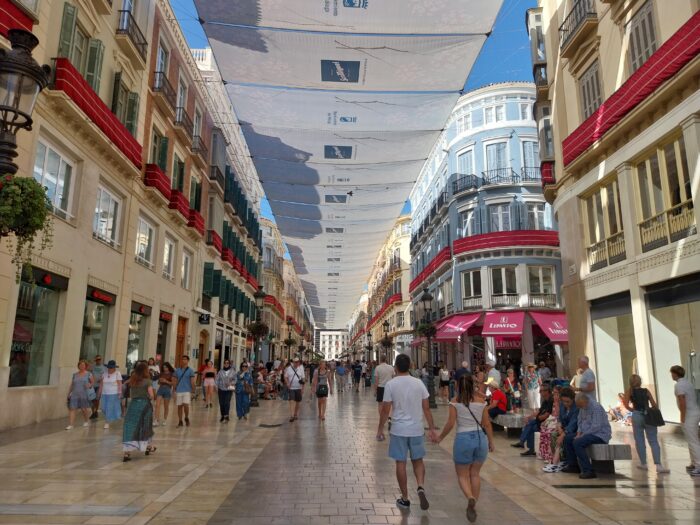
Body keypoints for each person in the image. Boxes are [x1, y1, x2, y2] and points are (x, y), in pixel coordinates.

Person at [377, 354, 438, 512]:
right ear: (410, 366)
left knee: (401, 463)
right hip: (417, 429)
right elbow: (426, 408)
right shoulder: (419, 383)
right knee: (418, 460)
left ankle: (405, 498)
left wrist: (380, 429)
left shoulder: (391, 384)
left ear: (395, 367)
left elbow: (385, 409)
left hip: (399, 429)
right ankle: (420, 486)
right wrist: (431, 428)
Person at [436, 375, 494, 523]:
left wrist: (440, 437)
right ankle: (474, 505)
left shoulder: (455, 402)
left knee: (462, 475)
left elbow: (450, 423)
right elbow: (487, 424)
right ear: (473, 385)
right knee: (475, 474)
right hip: (480, 439)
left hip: (463, 439)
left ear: (458, 386)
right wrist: (491, 442)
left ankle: (470, 497)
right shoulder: (481, 402)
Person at [623, 374, 668, 473]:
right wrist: (650, 410)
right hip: (648, 415)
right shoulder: (646, 391)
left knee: (639, 440)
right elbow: (654, 404)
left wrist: (633, 410)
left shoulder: (629, 391)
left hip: (637, 415)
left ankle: (643, 463)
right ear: (640, 381)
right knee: (653, 440)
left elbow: (625, 405)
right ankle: (658, 465)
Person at [562, 394, 611, 478]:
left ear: (585, 401)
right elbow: (580, 422)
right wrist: (578, 433)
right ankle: (573, 465)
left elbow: (596, 426)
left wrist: (582, 435)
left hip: (599, 434)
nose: (580, 407)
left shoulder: (596, 407)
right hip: (586, 433)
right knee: (568, 438)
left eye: (580, 405)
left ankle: (588, 470)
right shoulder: (582, 407)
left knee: (578, 442)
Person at [122, 362, 156, 462]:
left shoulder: (133, 380)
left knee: (130, 426)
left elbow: (126, 387)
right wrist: (151, 398)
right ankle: (147, 446)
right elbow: (151, 395)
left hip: (133, 405)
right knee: (145, 426)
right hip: (144, 405)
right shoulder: (147, 381)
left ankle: (127, 452)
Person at [670, 365, 700, 477]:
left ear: (675, 374)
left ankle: (698, 465)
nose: (671, 375)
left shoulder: (679, 385)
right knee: (692, 439)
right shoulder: (687, 383)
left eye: (672, 373)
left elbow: (682, 401)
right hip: (694, 412)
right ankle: (694, 463)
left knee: (693, 441)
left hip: (689, 415)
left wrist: (682, 416)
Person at [543, 387, 579, 472]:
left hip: (574, 430)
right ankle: (558, 461)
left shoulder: (576, 408)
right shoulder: (562, 405)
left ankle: (567, 461)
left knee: (565, 438)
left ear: (573, 399)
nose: (566, 404)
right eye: (564, 401)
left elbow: (573, 424)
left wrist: (563, 434)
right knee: (553, 435)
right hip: (564, 428)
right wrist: (559, 427)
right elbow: (560, 419)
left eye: (568, 402)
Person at [510, 384, 553, 456]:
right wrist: (529, 417)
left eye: (541, 391)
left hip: (545, 422)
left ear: (547, 391)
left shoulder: (551, 401)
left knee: (532, 427)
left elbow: (547, 414)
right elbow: (539, 411)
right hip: (539, 420)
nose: (539, 392)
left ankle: (524, 444)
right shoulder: (545, 400)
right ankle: (527, 446)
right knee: (530, 424)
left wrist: (537, 419)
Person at [66, 360, 94, 430]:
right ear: (78, 366)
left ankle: (86, 420)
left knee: (84, 409)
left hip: (84, 394)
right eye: (80, 365)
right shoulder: (75, 374)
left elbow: (92, 382)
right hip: (75, 394)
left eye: (83, 365)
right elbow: (72, 384)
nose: (82, 366)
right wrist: (69, 393)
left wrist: (89, 385)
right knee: (72, 409)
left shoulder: (89, 374)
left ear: (86, 366)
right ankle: (71, 425)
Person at [98, 360, 122, 430]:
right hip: (104, 393)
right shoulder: (104, 374)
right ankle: (110, 417)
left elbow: (120, 384)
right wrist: (99, 393)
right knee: (103, 408)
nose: (110, 369)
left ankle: (107, 422)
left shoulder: (117, 373)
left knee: (109, 407)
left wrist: (119, 393)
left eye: (111, 368)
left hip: (113, 393)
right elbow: (101, 384)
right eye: (109, 367)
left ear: (114, 368)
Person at [174, 355, 195, 427]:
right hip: (179, 390)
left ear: (188, 361)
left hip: (187, 390)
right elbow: (175, 380)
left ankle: (186, 417)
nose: (184, 361)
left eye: (185, 359)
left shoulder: (190, 370)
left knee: (186, 405)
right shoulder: (177, 370)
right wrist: (174, 390)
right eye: (183, 359)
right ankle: (180, 421)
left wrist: (193, 391)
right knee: (179, 406)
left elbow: (192, 381)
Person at [154, 362, 175, 426]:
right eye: (164, 367)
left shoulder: (172, 374)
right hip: (160, 389)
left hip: (167, 390)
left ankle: (165, 419)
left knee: (166, 406)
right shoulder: (161, 374)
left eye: (166, 367)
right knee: (157, 405)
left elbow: (173, 383)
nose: (165, 368)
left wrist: (166, 381)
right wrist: (160, 380)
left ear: (169, 367)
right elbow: (158, 383)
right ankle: (156, 420)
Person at [285, 358, 305, 422]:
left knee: (297, 401)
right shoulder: (289, 369)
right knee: (291, 400)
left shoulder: (301, 369)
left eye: (297, 362)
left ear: (299, 362)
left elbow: (303, 379)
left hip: (299, 388)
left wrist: (303, 388)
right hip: (291, 388)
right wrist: (287, 383)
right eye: (295, 362)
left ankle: (295, 414)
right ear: (293, 362)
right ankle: (292, 415)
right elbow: (285, 377)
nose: (296, 363)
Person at [89, 355, 105, 419]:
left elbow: (104, 376)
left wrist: (101, 380)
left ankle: (95, 411)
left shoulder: (104, 368)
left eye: (99, 359)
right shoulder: (92, 367)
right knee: (92, 399)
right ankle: (93, 412)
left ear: (101, 360)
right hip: (92, 385)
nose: (98, 361)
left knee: (97, 399)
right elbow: (88, 370)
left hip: (99, 386)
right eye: (97, 359)